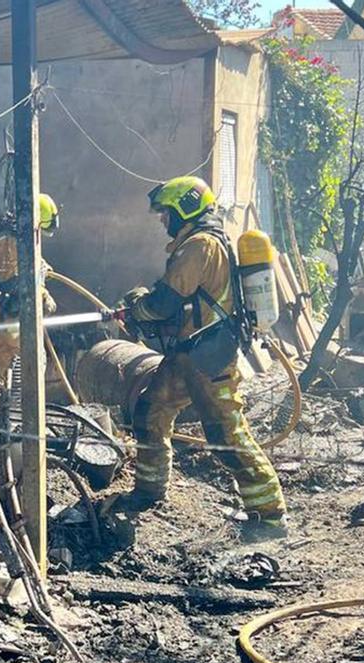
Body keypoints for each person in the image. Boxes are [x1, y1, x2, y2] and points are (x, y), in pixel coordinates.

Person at [118, 176, 288, 540]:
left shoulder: (199, 246)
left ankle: (269, 517)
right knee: (150, 412)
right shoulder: (199, 243)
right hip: (187, 354)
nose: (163, 220)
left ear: (185, 209)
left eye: (167, 212)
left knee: (225, 434)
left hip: (209, 357)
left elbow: (164, 302)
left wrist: (137, 307)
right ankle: (149, 489)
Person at [0, 194, 60, 382]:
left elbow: (29, 263)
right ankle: (20, 399)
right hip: (5, 310)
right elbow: (15, 281)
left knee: (1, 354)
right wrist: (44, 295)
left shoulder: (12, 235)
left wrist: (44, 267)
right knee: (29, 357)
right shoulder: (14, 242)